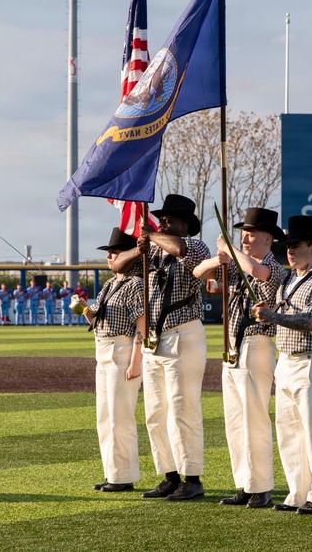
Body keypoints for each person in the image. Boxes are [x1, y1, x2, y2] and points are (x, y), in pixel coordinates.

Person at [111, 193, 209, 502]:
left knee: (183, 408)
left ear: (184, 224)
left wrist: (152, 234)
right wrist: (139, 246)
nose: (162, 223)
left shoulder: (195, 246)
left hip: (184, 334)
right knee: (155, 411)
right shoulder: (153, 253)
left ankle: (192, 478)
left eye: (168, 221)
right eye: (160, 220)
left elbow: (181, 250)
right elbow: (119, 267)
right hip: (155, 338)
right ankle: (169, 475)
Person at [193, 207, 285, 509]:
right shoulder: (234, 262)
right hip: (231, 347)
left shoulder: (273, 266)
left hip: (256, 343)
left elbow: (256, 272)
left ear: (268, 238)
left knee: (254, 418)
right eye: (243, 233)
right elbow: (199, 274)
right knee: (234, 420)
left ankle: (261, 487)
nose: (245, 238)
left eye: (251, 233)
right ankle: (245, 483)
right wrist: (217, 258)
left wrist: (229, 249)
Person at [252, 215, 312, 515]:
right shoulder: (289, 280)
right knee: (289, 434)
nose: (289, 251)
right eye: (288, 246)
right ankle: (297, 494)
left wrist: (272, 317)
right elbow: (281, 314)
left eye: (296, 245)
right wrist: (267, 311)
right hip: (287, 362)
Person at [74, 227, 146, 493]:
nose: (110, 257)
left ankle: (123, 475)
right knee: (104, 417)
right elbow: (97, 321)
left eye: (115, 253)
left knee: (120, 416)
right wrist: (83, 309)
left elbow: (142, 323)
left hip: (122, 349)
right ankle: (112, 473)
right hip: (102, 349)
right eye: (109, 253)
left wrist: (136, 361)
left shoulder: (136, 283)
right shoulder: (109, 283)